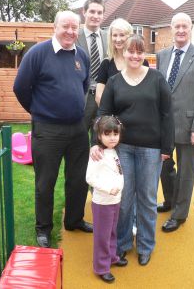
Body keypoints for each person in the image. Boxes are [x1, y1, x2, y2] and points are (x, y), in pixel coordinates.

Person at [91, 34, 174, 266]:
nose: (135, 56)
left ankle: (146, 245)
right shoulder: (115, 82)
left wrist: (167, 147)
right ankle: (123, 244)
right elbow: (103, 114)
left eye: (139, 52)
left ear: (144, 53)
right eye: (131, 51)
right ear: (123, 53)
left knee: (147, 199)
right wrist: (96, 143)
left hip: (151, 149)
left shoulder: (157, 79)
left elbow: (168, 114)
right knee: (124, 199)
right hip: (123, 149)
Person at [13, 10, 93, 249]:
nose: (70, 31)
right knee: (45, 182)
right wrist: (39, 110)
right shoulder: (38, 53)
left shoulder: (82, 56)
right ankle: (43, 229)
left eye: (74, 27)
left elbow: (84, 85)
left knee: (79, 179)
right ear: (55, 27)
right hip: (47, 130)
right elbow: (20, 88)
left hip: (78, 129)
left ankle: (74, 219)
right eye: (65, 26)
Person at [156, 12, 194, 232]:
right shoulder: (161, 56)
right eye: (177, 26)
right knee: (164, 166)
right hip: (163, 125)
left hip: (189, 125)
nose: (180, 30)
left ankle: (179, 214)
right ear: (171, 29)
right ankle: (170, 200)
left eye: (185, 26)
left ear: (191, 29)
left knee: (186, 171)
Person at [86, 116, 127, 283]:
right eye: (107, 134)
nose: (112, 137)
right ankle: (101, 267)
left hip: (114, 201)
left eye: (115, 134)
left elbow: (118, 173)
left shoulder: (113, 151)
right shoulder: (98, 154)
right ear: (99, 136)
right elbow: (90, 177)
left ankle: (111, 257)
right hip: (103, 202)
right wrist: (108, 189)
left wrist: (117, 190)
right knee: (102, 236)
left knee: (111, 232)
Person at [95, 18, 149, 105]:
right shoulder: (106, 63)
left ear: (129, 36)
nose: (118, 39)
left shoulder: (141, 62)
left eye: (122, 35)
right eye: (115, 35)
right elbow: (99, 97)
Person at [77, 0, 108, 132]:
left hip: (104, 98)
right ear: (84, 12)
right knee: (78, 141)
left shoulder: (109, 37)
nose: (96, 16)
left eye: (99, 13)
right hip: (81, 97)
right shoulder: (74, 36)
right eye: (92, 11)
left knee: (102, 141)